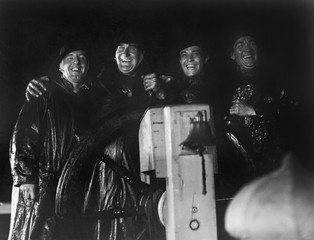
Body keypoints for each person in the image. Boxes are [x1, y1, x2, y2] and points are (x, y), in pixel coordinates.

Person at [9, 41, 94, 240]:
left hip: (77, 183)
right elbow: (23, 135)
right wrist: (27, 178)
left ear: (88, 65)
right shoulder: (44, 92)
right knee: (39, 232)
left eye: (82, 58)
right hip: (45, 182)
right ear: (60, 66)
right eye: (70, 58)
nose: (77, 63)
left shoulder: (91, 96)